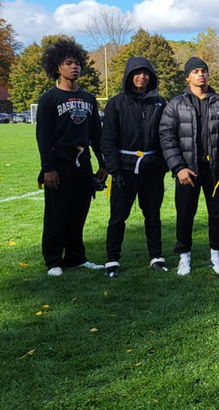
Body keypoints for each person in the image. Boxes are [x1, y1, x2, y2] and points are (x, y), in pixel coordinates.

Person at [35, 37, 108, 276]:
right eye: (68, 63)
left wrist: (103, 164)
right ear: (58, 67)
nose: (74, 67)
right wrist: (48, 168)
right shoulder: (49, 99)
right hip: (59, 163)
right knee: (57, 214)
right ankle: (54, 260)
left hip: (82, 163)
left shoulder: (88, 99)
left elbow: (96, 135)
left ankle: (76, 257)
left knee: (79, 212)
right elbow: (43, 137)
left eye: (77, 62)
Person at [101, 57, 169, 278]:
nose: (142, 77)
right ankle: (112, 259)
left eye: (146, 73)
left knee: (153, 215)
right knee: (118, 217)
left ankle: (156, 256)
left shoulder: (159, 103)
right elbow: (108, 140)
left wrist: (163, 166)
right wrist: (115, 171)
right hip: (125, 170)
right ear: (129, 76)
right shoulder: (116, 104)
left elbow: (166, 135)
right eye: (137, 73)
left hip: (151, 169)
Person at [159, 57, 219, 276]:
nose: (201, 74)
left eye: (204, 70)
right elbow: (166, 137)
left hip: (215, 169)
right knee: (185, 213)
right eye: (196, 71)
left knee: (217, 213)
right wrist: (178, 167)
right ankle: (184, 256)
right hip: (188, 169)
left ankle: (216, 254)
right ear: (187, 76)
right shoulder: (176, 104)